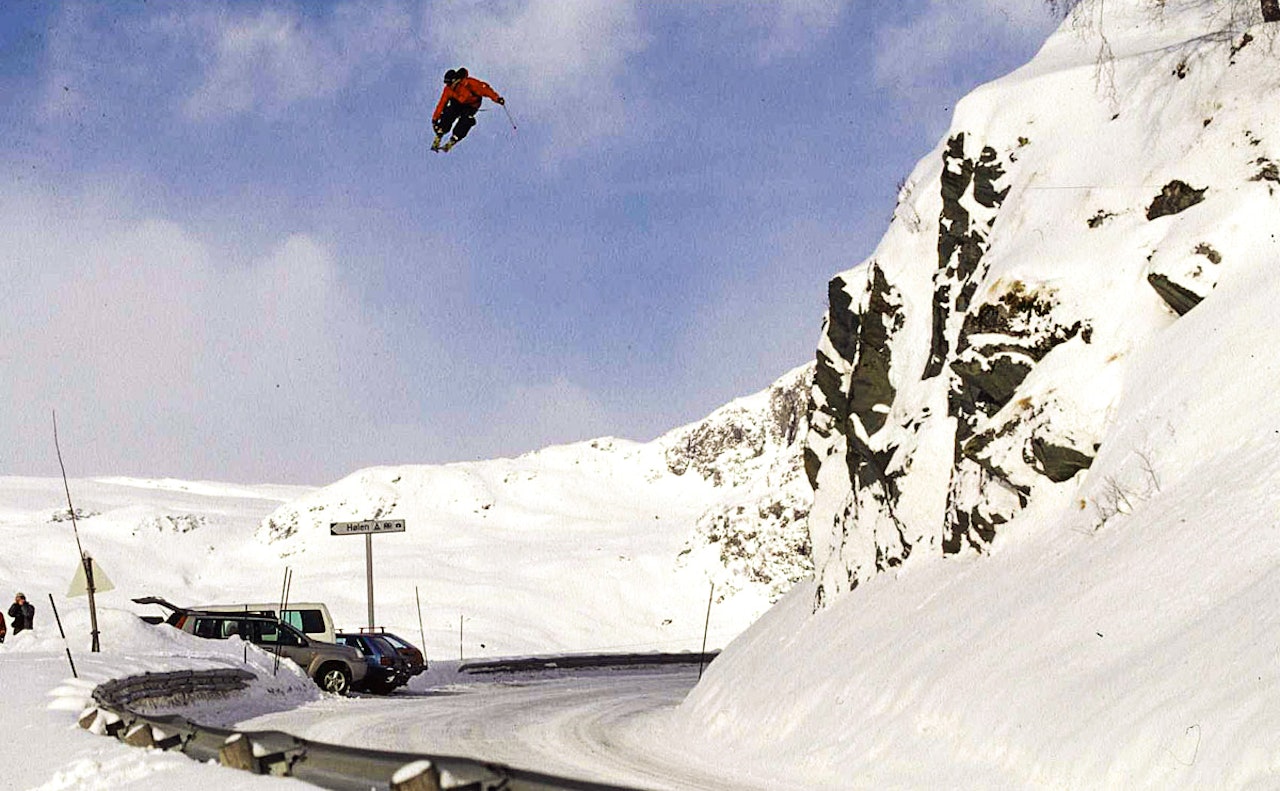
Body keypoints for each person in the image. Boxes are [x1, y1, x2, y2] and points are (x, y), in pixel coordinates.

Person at [431, 67, 505, 153]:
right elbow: (442, 103)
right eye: (447, 84)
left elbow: (485, 89)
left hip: (471, 105)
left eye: (449, 83)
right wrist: (435, 119)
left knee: (466, 118)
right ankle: (442, 129)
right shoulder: (448, 89)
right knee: (450, 111)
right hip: (458, 103)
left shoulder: (469, 83)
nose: (448, 86)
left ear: (455, 81)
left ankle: (456, 135)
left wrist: (497, 98)